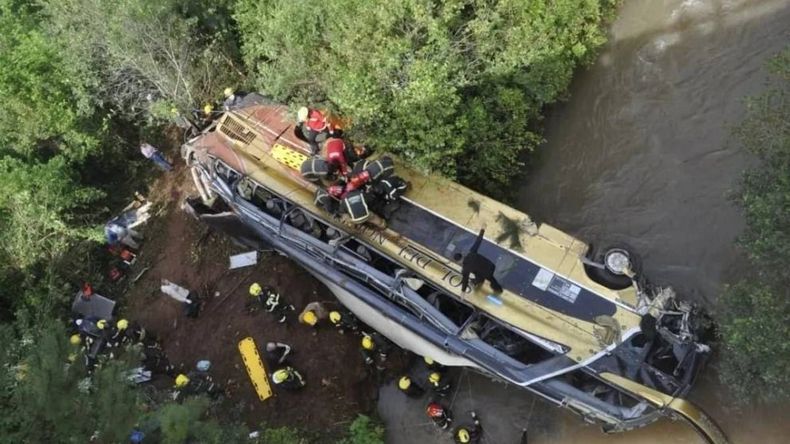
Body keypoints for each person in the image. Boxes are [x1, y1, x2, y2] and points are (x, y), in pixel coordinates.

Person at [457, 229, 503, 293]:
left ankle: (498, 290)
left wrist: (463, 291)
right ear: (462, 255)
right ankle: (496, 289)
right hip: (491, 266)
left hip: (486, 272)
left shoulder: (466, 268)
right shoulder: (471, 253)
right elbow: (478, 242)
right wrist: (482, 231)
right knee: (481, 276)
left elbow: (465, 280)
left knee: (485, 278)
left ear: (459, 261)